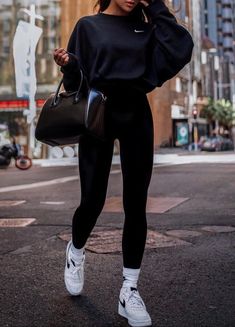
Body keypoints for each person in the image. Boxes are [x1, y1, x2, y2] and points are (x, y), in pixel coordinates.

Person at [53, 0, 194, 326]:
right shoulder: (88, 27)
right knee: (92, 200)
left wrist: (156, 5)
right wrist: (69, 66)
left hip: (136, 116)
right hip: (98, 112)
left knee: (135, 203)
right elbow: (77, 83)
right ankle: (75, 251)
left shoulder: (148, 27)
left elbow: (181, 47)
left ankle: (129, 290)